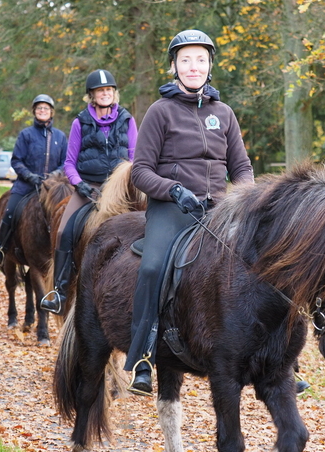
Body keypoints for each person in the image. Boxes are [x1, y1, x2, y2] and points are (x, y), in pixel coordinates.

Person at [124, 29, 255, 396]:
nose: (193, 66)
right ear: (174, 66)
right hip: (172, 209)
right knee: (151, 268)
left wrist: (243, 197)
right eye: (186, 60)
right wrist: (173, 190)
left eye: (200, 59)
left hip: (218, 208)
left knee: (262, 260)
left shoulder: (224, 114)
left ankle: (280, 360)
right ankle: (142, 356)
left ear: (210, 65)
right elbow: (140, 171)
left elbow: (241, 167)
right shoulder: (160, 111)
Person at [39, 69, 138, 315]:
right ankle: (60, 291)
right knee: (64, 230)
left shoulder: (127, 120)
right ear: (92, 95)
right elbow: (70, 163)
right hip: (89, 187)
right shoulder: (80, 121)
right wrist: (79, 184)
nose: (105, 94)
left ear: (114, 93)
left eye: (108, 90)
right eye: (100, 90)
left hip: (121, 190)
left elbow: (136, 158)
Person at [0, 94, 68, 270]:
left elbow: (66, 162)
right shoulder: (26, 135)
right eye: (39, 108)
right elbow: (16, 160)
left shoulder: (60, 137)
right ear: (34, 112)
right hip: (26, 184)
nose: (42, 111)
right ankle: (0, 249)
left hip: (53, 186)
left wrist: (55, 174)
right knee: (10, 211)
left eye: (46, 108)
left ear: (51, 112)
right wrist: (30, 176)